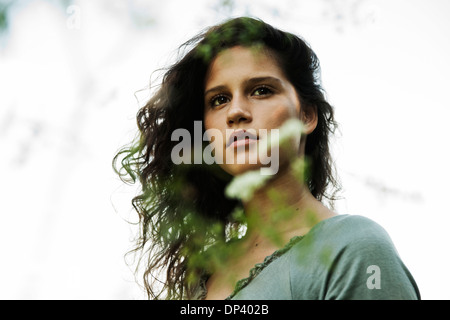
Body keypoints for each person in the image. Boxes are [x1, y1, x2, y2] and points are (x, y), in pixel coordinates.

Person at [113, 17, 420, 300]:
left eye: (261, 90)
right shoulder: (202, 279)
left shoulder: (355, 249)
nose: (236, 112)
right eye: (219, 100)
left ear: (306, 115)